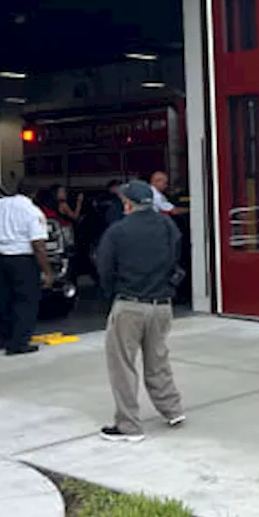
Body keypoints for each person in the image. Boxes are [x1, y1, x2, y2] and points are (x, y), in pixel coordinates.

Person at [94, 180, 186, 442]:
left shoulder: (117, 231)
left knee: (123, 365)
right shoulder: (167, 225)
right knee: (158, 359)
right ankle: (172, 408)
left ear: (127, 203)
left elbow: (104, 269)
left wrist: (112, 294)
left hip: (130, 304)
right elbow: (176, 259)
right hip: (161, 305)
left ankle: (128, 425)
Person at [0, 180, 53, 355]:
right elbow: (38, 245)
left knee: (4, 299)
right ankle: (19, 343)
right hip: (22, 260)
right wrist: (46, 271)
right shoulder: (32, 211)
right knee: (26, 301)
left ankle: (3, 339)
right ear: (34, 193)